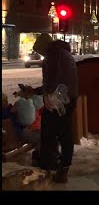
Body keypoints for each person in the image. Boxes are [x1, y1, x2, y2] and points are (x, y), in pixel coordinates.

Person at [30, 33, 79, 183]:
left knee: (49, 131)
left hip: (59, 100)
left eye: (40, 51)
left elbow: (52, 81)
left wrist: (44, 93)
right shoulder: (62, 52)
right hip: (69, 97)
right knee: (64, 132)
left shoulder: (53, 55)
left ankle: (49, 166)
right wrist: (37, 91)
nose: (41, 54)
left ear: (44, 47)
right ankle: (62, 166)